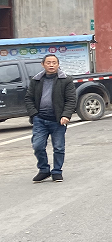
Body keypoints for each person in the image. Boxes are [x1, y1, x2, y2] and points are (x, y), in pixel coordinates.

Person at [24, 53, 76, 183]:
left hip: (58, 120)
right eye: (48, 62)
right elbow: (28, 99)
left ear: (58, 64)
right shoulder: (36, 80)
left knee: (58, 147)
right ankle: (44, 170)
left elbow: (71, 100)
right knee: (38, 146)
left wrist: (66, 115)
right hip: (40, 119)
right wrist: (34, 115)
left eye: (54, 62)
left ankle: (57, 171)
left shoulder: (66, 80)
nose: (51, 65)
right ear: (43, 64)